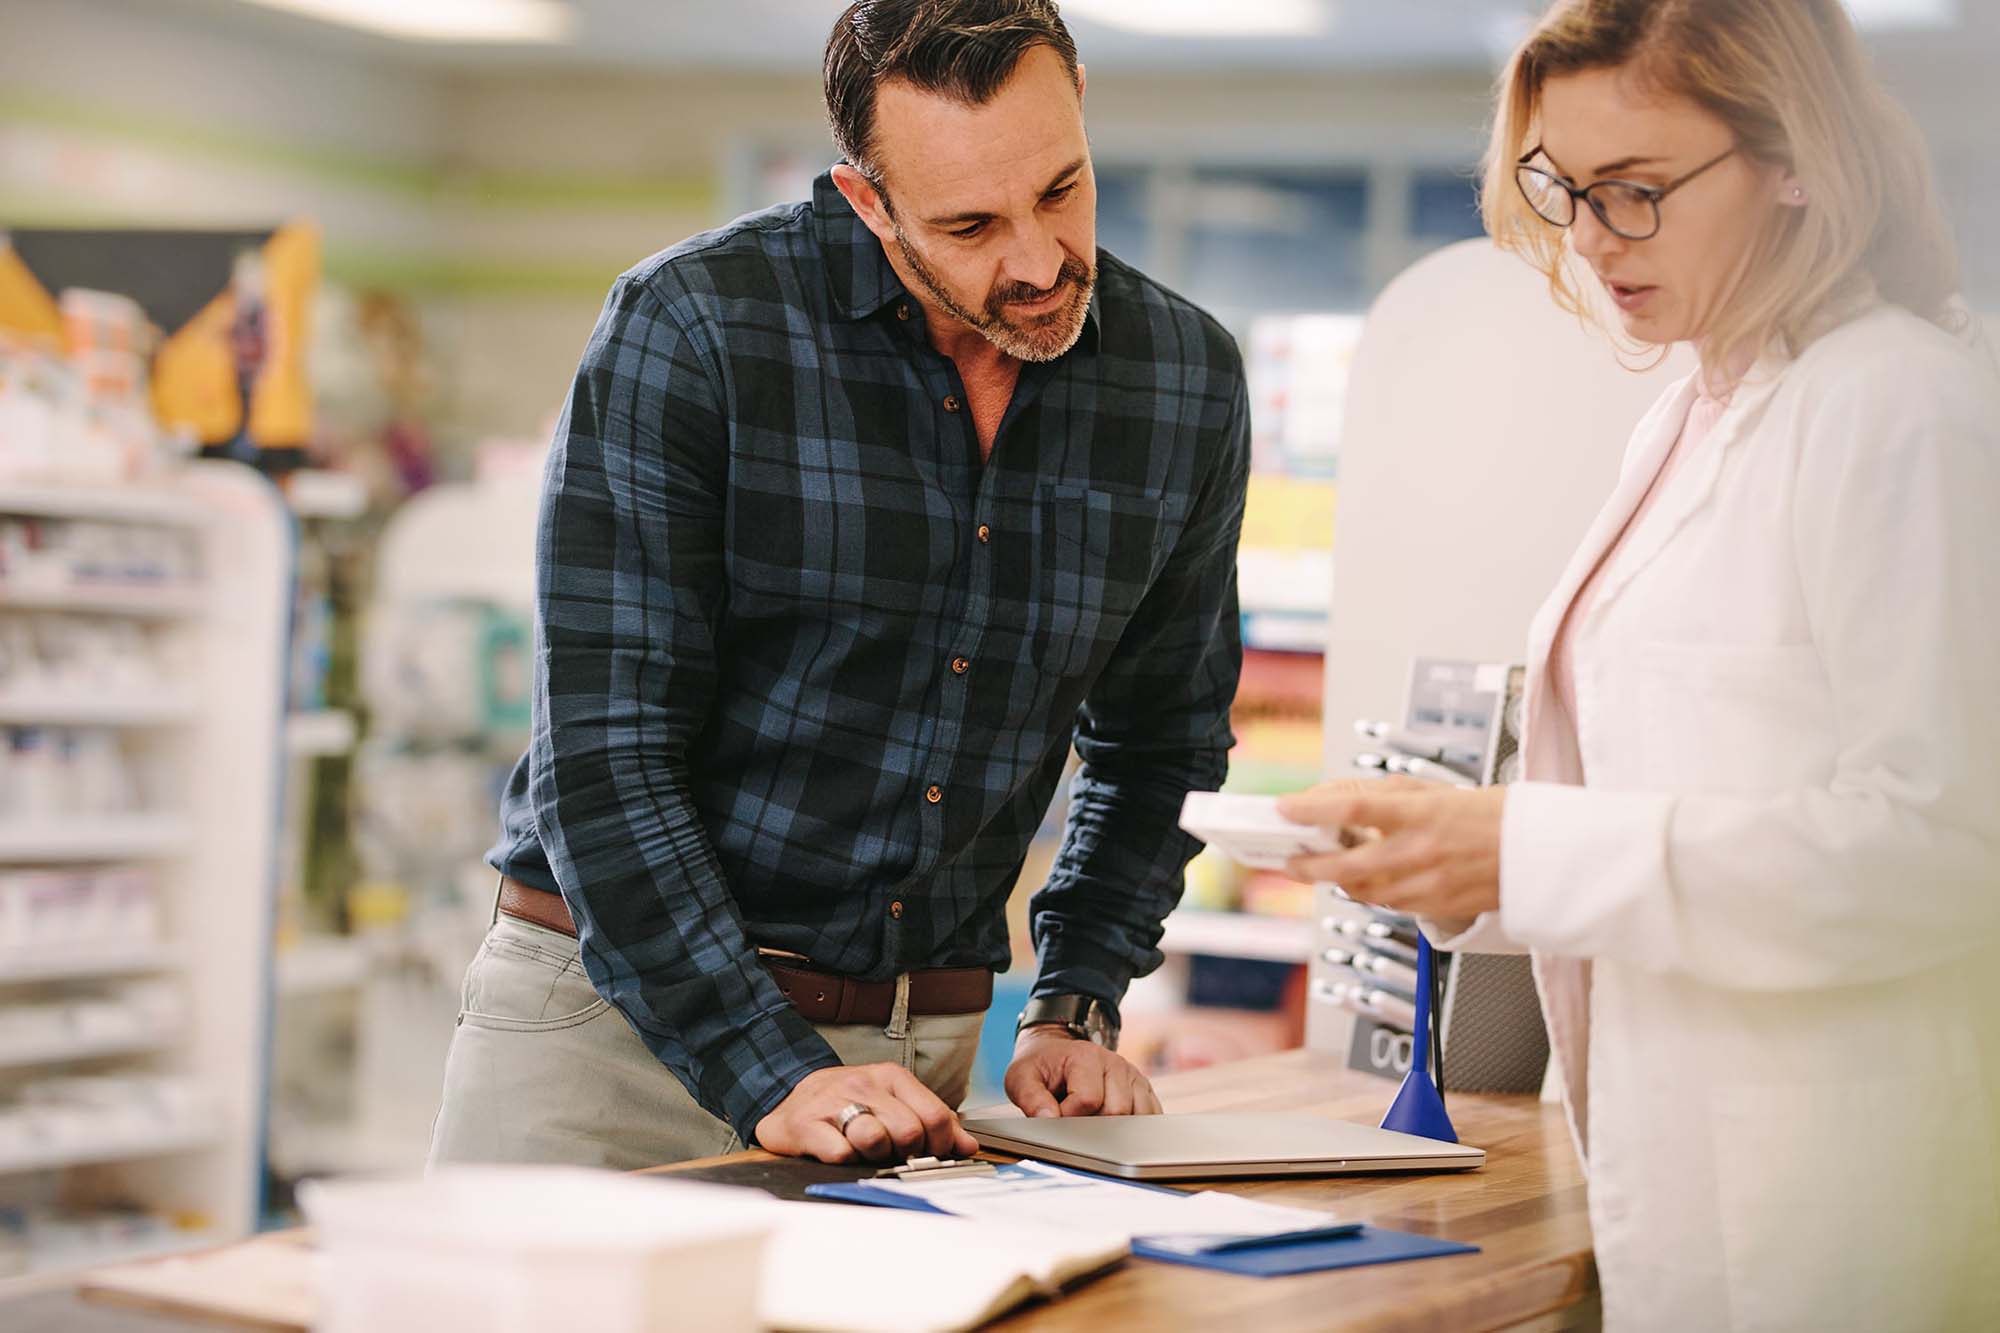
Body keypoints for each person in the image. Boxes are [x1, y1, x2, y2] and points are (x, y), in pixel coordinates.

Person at [428, 0, 1249, 1172]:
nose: (1034, 260)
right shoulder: (697, 329)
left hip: (914, 1060)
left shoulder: (1183, 381)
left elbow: (1159, 743)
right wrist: (771, 1066)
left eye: (1061, 191)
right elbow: (605, 754)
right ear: (865, 202)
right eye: (969, 223)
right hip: (607, 1036)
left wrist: (1075, 997)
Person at [1276, 1, 2000, 1328]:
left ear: (1797, 159)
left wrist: (1526, 853)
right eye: (1565, 189)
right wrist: (1454, 854)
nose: (1596, 241)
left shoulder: (1895, 407)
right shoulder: (1693, 409)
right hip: (1684, 1172)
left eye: (1641, 191)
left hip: (1844, 1203)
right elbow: (1654, 786)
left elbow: (1949, 846)